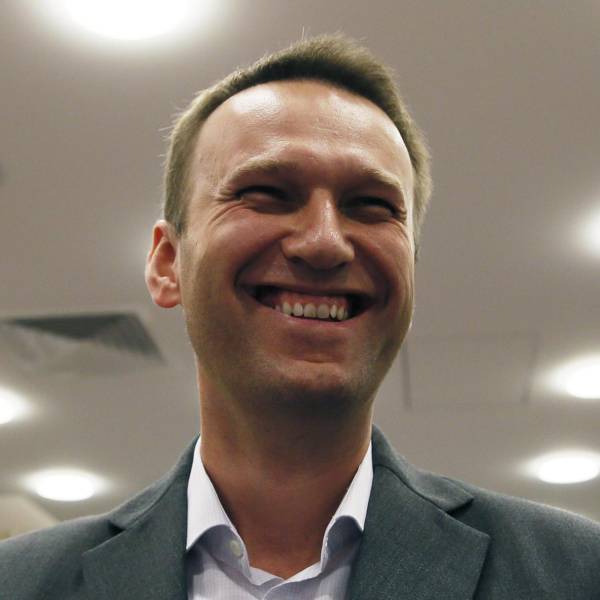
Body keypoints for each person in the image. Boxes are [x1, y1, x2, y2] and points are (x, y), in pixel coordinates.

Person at [1, 33, 600, 600]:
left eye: (371, 205)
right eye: (267, 193)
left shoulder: (575, 573)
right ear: (167, 263)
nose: (324, 242)